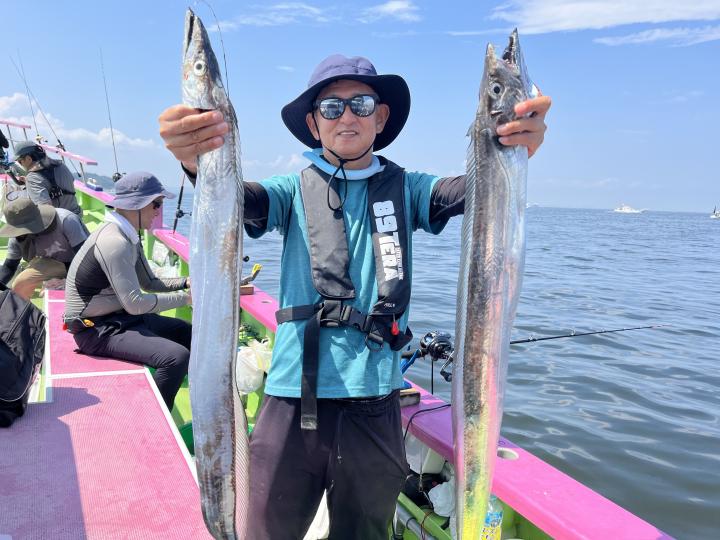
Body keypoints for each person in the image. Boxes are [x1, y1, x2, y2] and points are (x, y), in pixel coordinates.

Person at [158, 54, 551, 538]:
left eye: (361, 104)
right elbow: (238, 201)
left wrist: (510, 145)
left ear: (380, 117)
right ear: (313, 124)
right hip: (293, 396)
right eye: (331, 107)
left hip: (375, 402)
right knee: (263, 530)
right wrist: (196, 160)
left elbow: (475, 191)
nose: (347, 116)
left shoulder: (406, 189)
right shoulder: (291, 190)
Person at [63, 171, 192, 410]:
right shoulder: (115, 242)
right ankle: (155, 420)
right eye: (156, 204)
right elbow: (135, 303)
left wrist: (186, 283)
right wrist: (186, 299)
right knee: (176, 357)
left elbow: (149, 283)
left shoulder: (129, 235)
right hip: (95, 330)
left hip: (120, 318)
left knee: (187, 332)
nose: (158, 211)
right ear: (137, 205)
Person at [0, 198, 89, 300]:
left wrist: (68, 282)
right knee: (20, 284)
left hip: (76, 264)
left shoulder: (66, 220)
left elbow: (86, 259)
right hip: (47, 264)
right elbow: (9, 266)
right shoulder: (17, 236)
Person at [13, 140, 82, 216]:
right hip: (77, 216)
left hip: (59, 221)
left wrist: (31, 183)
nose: (20, 164)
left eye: (20, 161)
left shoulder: (32, 178)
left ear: (29, 158)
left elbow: (46, 212)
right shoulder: (61, 165)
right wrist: (29, 183)